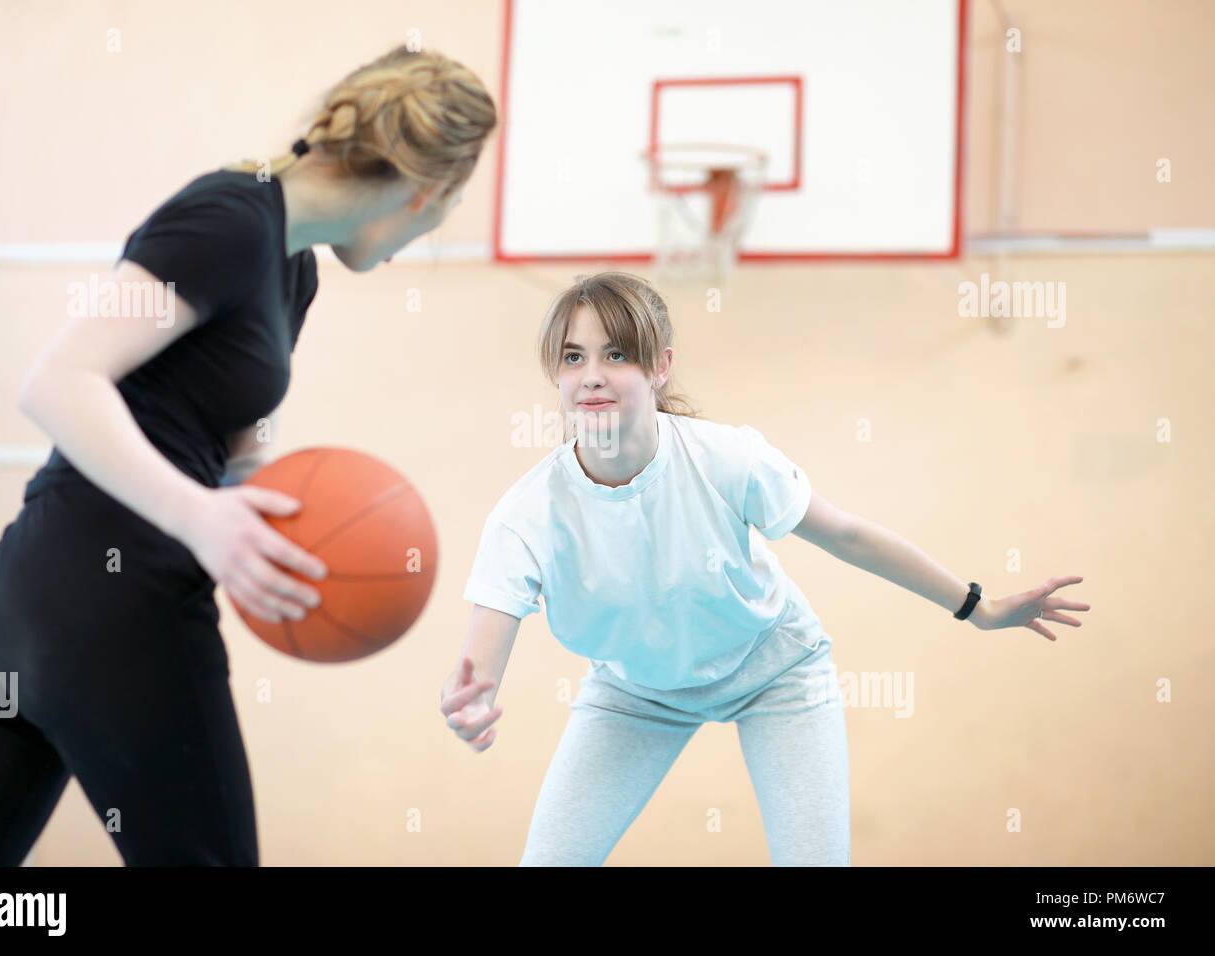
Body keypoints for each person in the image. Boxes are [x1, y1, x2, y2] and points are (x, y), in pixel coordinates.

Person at [0, 43, 497, 866]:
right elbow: (59, 381)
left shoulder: (292, 269)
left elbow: (236, 455)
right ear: (426, 190)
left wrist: (280, 531)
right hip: (110, 601)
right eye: (451, 209)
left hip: (23, 604)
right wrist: (201, 518)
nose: (427, 235)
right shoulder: (229, 217)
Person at [440, 271, 1090, 866]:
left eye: (617, 354)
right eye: (573, 357)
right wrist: (469, 704)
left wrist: (981, 608)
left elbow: (850, 536)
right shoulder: (527, 516)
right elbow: (479, 670)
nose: (592, 376)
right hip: (635, 693)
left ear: (661, 365)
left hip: (775, 671)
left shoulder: (726, 460)